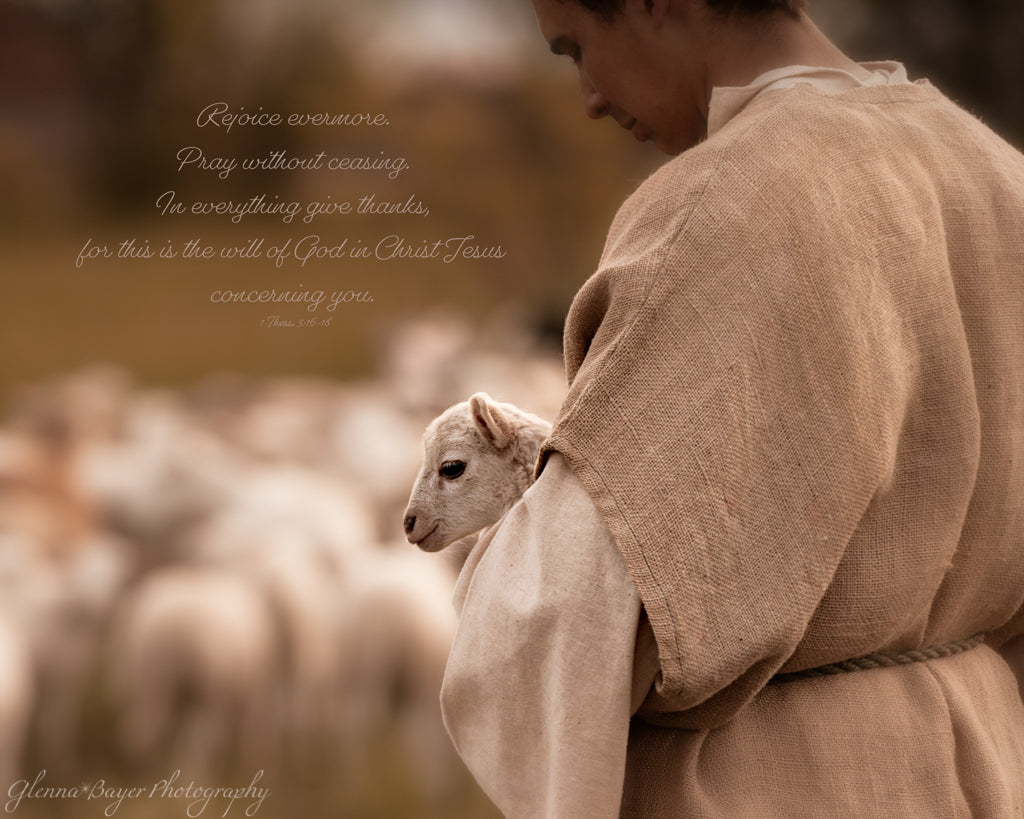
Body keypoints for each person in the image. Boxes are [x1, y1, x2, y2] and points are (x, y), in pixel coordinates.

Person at [439, 0, 1024, 815]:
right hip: (986, 766)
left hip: (779, 786)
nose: (589, 98)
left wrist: (487, 584)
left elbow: (574, 603)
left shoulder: (721, 205)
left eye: (577, 47)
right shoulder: (996, 174)